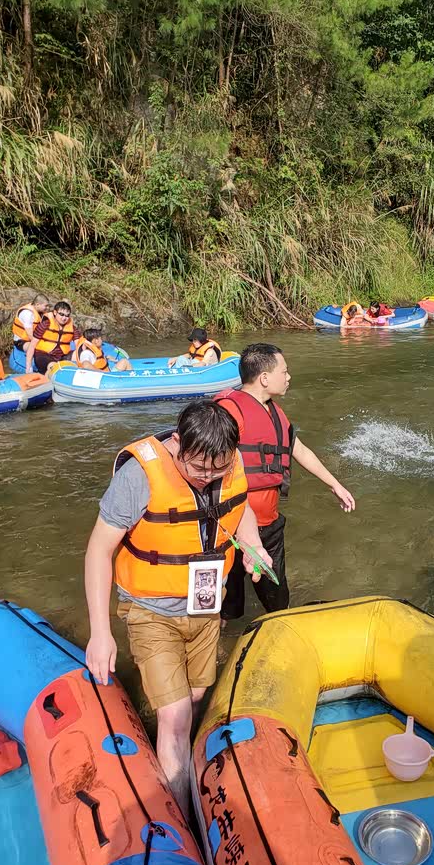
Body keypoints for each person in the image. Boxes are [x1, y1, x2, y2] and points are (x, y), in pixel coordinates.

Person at [84, 400, 272, 816]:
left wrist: (254, 547)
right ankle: (182, 824)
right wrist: (100, 633)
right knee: (174, 716)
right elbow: (98, 550)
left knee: (196, 698)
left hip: (206, 604)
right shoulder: (139, 476)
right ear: (176, 444)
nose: (208, 478)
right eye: (198, 469)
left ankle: (183, 773)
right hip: (151, 609)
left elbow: (238, 512)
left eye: (217, 470)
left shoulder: (227, 461)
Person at [216, 343, 355, 621]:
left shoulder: (275, 412)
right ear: (264, 378)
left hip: (270, 525)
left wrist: (334, 484)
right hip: (230, 527)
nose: (289, 377)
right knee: (229, 606)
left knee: (278, 599)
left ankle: (279, 631)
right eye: (285, 371)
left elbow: (299, 450)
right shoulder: (229, 412)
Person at [26, 300, 81, 375]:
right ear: (55, 313)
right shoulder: (45, 325)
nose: (64, 318)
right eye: (61, 314)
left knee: (78, 353)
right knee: (53, 366)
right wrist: (28, 367)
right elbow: (32, 346)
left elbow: (79, 345)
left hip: (62, 356)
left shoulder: (72, 328)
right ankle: (50, 376)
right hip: (44, 355)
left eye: (67, 315)